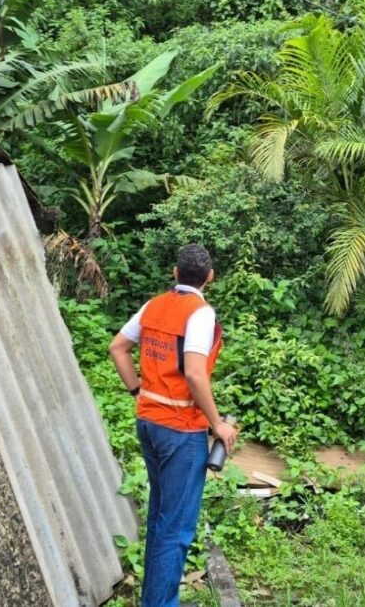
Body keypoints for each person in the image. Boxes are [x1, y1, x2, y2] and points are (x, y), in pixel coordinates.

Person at [109, 243, 238, 607]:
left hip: (149, 423)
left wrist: (137, 390)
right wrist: (218, 425)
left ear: (175, 273)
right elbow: (196, 374)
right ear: (210, 277)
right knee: (176, 529)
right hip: (181, 431)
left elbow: (117, 348)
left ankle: (154, 599)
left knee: (160, 519)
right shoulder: (200, 313)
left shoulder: (154, 306)